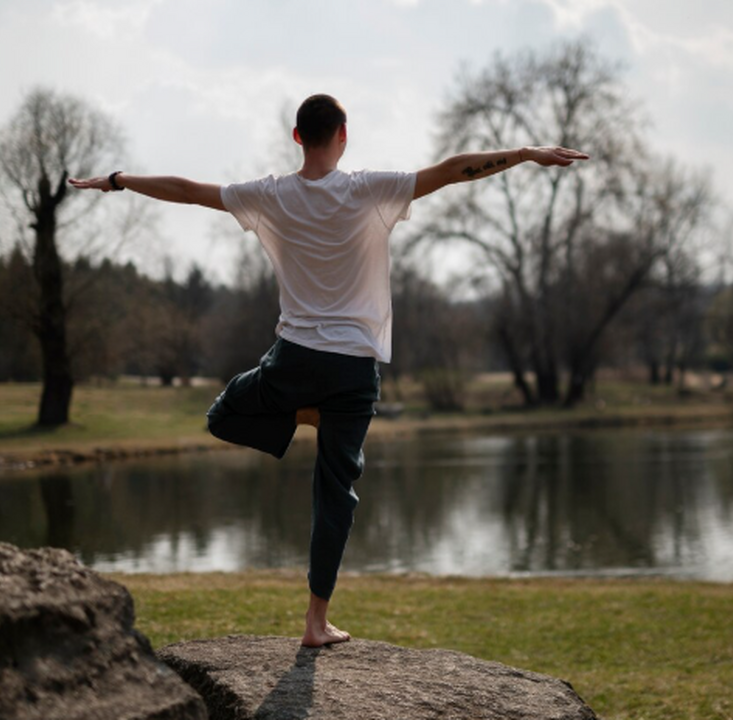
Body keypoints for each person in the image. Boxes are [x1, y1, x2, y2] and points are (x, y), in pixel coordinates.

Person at [69, 94, 588, 647]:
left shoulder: (270, 195)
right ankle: (316, 622)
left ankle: (300, 414)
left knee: (222, 415)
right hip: (353, 371)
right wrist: (525, 152)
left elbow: (187, 191)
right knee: (335, 492)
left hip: (293, 361)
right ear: (344, 134)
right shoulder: (369, 190)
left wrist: (119, 180)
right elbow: (454, 170)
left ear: (297, 137)